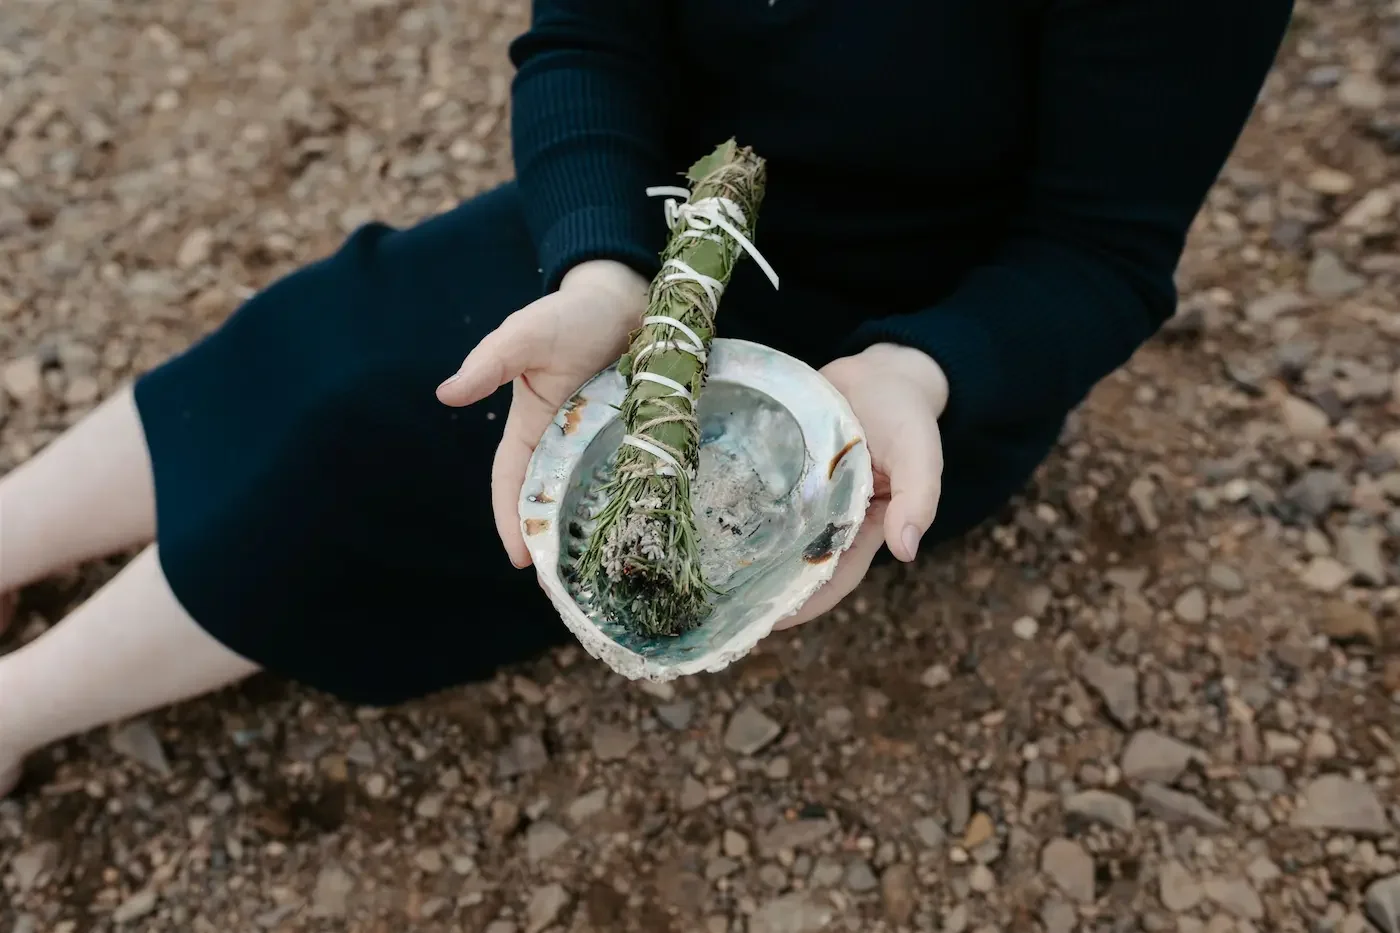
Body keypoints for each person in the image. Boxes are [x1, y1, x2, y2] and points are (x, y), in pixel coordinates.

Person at [0, 0, 1294, 794]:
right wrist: (599, 255)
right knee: (343, 324)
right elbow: (587, 35)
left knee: (363, 464)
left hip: (891, 350)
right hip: (644, 238)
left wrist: (923, 368)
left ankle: (21, 707)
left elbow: (1099, 250)